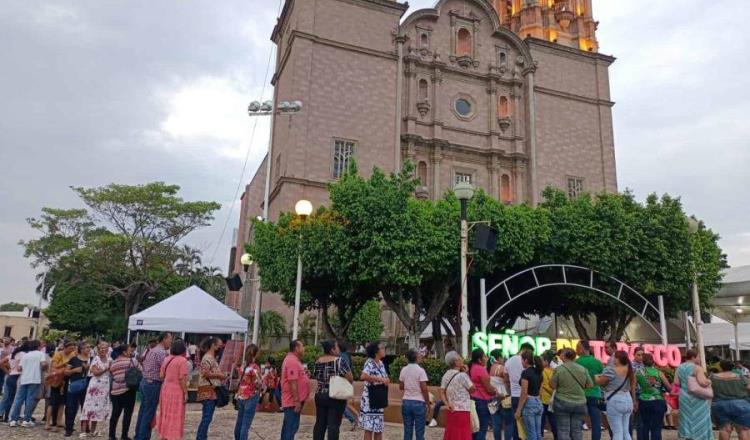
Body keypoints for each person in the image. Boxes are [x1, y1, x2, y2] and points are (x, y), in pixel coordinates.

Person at [134, 332, 172, 440]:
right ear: (164, 339)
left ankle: (138, 435)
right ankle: (143, 437)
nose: (171, 342)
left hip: (145, 382)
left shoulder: (152, 350)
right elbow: (165, 369)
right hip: (153, 384)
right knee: (149, 413)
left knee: (143, 411)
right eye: (170, 339)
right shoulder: (161, 352)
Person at [312, 340, 353, 440]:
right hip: (335, 395)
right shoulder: (339, 361)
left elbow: (316, 377)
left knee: (320, 423)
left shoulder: (318, 362)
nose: (338, 349)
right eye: (336, 347)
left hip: (320, 395)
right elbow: (350, 378)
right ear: (332, 350)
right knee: (333, 425)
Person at [550, 348, 592, 440]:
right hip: (580, 403)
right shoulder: (583, 369)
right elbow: (590, 385)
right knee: (577, 430)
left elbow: (552, 385)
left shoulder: (559, 369)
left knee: (563, 429)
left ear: (564, 356)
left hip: (562, 402)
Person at [595, 351, 635, 440]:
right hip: (628, 399)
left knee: (617, 432)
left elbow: (601, 382)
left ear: (617, 359)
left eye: (613, 357)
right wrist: (634, 400)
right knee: (625, 431)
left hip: (615, 400)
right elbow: (633, 385)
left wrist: (596, 377)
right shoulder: (629, 369)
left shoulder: (611, 369)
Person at [674, 349, 712, 440]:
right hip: (697, 397)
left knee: (687, 418)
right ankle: (700, 436)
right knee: (701, 418)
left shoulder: (679, 367)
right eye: (698, 357)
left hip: (684, 397)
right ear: (693, 357)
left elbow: (676, 382)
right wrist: (709, 381)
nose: (699, 359)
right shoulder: (697, 368)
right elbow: (702, 382)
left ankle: (689, 436)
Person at [8, 339, 48, 427]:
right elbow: (43, 364)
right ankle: (26, 419)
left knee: (19, 399)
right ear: (38, 346)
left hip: (24, 378)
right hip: (34, 378)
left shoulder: (26, 355)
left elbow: (19, 368)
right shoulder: (41, 354)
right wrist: (45, 367)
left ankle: (13, 419)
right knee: (30, 399)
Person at [155, 340, 189, 440]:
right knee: (176, 415)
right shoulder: (182, 361)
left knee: (165, 413)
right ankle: (173, 436)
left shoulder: (167, 359)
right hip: (176, 390)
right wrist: (186, 393)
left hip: (165, 389)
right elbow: (182, 378)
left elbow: (161, 375)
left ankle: (164, 435)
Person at [710, 359, 750, 440]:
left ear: (721, 367)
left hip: (720, 405)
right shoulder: (741, 377)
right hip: (741, 405)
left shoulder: (713, 377)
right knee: (743, 430)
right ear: (733, 367)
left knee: (724, 430)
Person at [635, 353, 670, 440]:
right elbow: (669, 388)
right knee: (657, 428)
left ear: (643, 362)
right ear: (653, 362)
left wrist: (634, 400)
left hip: (644, 401)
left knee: (645, 426)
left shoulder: (638, 373)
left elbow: (633, 387)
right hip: (658, 402)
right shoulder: (659, 373)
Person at [440, 352, 475, 440]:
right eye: (460, 359)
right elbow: (472, 389)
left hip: (452, 409)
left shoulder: (445, 375)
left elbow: (442, 391)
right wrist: (466, 373)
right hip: (463, 409)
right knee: (463, 433)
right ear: (456, 362)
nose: (462, 360)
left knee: (452, 432)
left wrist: (447, 403)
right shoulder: (462, 375)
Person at [80, 341, 112, 436]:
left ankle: (93, 430)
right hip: (95, 385)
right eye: (101, 348)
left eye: (105, 348)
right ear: (98, 349)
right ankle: (83, 430)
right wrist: (106, 368)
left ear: (107, 349)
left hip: (104, 385)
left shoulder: (110, 359)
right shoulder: (95, 359)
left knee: (98, 408)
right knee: (89, 406)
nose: (103, 350)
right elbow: (95, 372)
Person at [196, 337, 225, 440]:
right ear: (213, 345)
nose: (220, 348)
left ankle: (202, 437)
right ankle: (200, 437)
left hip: (210, 390)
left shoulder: (210, 358)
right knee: (207, 418)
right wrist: (219, 375)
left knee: (207, 417)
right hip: (208, 391)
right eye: (219, 346)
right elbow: (205, 373)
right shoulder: (207, 358)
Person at [281, 339, 310, 440]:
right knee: (291, 428)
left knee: (289, 427)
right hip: (292, 401)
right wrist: (297, 401)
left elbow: (296, 377)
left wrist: (304, 374)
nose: (304, 348)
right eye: (302, 346)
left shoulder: (294, 360)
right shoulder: (292, 361)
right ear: (297, 348)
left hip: (293, 401)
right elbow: (292, 382)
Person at [359, 341, 389, 440]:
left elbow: (384, 377)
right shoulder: (370, 362)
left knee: (378, 428)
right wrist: (380, 379)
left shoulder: (381, 363)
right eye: (382, 348)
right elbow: (363, 376)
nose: (384, 349)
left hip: (378, 398)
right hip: (370, 399)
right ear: (376, 351)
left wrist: (386, 379)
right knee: (369, 428)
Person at [109, 343, 139, 440]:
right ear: (124, 352)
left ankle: (111, 435)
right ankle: (124, 435)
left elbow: (112, 373)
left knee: (115, 414)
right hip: (128, 390)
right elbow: (140, 371)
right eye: (130, 350)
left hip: (115, 390)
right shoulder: (132, 361)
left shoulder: (113, 362)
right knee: (127, 414)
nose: (131, 352)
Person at [575, 341, 603, 440]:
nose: (576, 350)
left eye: (577, 348)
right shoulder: (598, 363)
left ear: (582, 349)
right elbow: (601, 380)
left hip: (579, 395)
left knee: (577, 421)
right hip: (595, 394)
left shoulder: (576, 363)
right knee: (596, 422)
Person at [399, 349, 430, 440]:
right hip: (419, 402)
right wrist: (428, 403)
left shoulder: (403, 370)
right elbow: (424, 389)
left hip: (406, 401)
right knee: (419, 431)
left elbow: (401, 386)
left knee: (407, 430)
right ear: (416, 357)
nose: (420, 356)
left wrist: (409, 385)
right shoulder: (421, 370)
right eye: (419, 355)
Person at [506, 342, 534, 440]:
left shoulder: (509, 361)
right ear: (527, 350)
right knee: (527, 423)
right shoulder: (527, 362)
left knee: (516, 423)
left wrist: (509, 387)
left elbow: (505, 376)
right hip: (526, 396)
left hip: (514, 395)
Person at [234, 344, 262, 440]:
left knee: (240, 421)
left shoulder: (243, 366)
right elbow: (258, 383)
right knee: (246, 424)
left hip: (241, 395)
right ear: (256, 354)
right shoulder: (255, 368)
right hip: (251, 396)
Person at [468, 348, 497, 440]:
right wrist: (496, 391)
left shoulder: (472, 367)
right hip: (483, 401)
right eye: (484, 356)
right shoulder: (481, 369)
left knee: (476, 427)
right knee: (482, 428)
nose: (487, 358)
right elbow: (488, 389)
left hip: (475, 399)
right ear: (479, 359)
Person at [47, 341, 76, 432]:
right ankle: (48, 422)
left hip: (65, 380)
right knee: (53, 402)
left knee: (62, 402)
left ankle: (59, 421)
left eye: (73, 348)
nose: (72, 350)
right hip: (56, 379)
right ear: (64, 347)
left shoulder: (72, 354)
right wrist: (65, 364)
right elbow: (54, 366)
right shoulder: (58, 354)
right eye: (70, 348)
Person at [64, 342, 91, 437]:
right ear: (81, 349)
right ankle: (69, 428)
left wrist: (88, 369)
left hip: (88, 386)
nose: (89, 349)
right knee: (71, 407)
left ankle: (85, 426)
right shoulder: (74, 359)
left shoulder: (91, 360)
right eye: (87, 347)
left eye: (89, 347)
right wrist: (74, 370)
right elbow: (66, 372)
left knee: (86, 407)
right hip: (75, 385)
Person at [515, 351, 544, 440]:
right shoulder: (539, 372)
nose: (521, 362)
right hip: (538, 402)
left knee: (531, 434)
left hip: (529, 403)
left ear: (526, 360)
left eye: (522, 360)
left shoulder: (526, 373)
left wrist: (518, 410)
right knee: (538, 433)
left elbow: (524, 392)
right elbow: (540, 390)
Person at [0, 341, 26, 422]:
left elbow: (1, 363)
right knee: (15, 398)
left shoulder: (12, 354)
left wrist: (8, 372)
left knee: (7, 397)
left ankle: (3, 415)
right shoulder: (23, 355)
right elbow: (20, 368)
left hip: (10, 376)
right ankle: (10, 416)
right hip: (17, 377)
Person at [489, 351, 513, 440]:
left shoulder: (488, 367)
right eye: (502, 357)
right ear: (499, 358)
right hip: (504, 397)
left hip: (493, 397)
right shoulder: (501, 368)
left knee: (496, 423)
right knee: (509, 422)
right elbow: (507, 381)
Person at [337, 339, 359, 431]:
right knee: (344, 404)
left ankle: (354, 419)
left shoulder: (342, 357)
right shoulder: (346, 355)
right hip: (345, 383)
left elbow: (344, 371)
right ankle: (356, 418)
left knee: (342, 405)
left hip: (342, 383)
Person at [540, 351, 558, 440]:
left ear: (546, 361)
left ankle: (540, 436)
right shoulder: (554, 371)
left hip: (544, 399)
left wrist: (543, 386)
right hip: (552, 399)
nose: (540, 362)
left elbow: (546, 385)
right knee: (553, 420)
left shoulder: (543, 371)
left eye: (541, 360)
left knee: (542, 421)